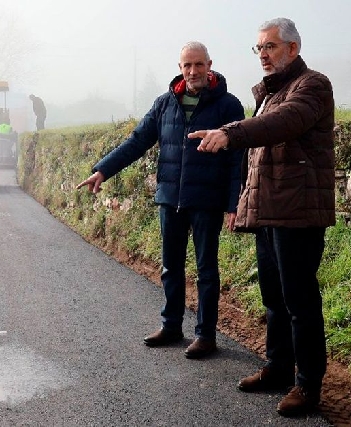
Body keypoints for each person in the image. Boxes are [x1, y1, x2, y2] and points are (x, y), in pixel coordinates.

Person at [188, 18, 335, 416]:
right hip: (271, 210)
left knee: (299, 300)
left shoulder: (312, 85)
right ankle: (278, 367)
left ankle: (307, 386)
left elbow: (282, 124)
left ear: (292, 48)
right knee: (273, 296)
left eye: (270, 47)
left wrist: (231, 131)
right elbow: (259, 157)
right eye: (259, 49)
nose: (263, 55)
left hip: (299, 212)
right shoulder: (270, 94)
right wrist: (242, 203)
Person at [76, 41, 245, 359]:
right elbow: (137, 141)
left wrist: (233, 203)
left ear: (210, 65)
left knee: (206, 270)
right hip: (170, 198)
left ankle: (206, 335)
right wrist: (102, 170)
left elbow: (238, 159)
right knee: (170, 267)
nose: (193, 71)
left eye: (198, 64)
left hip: (207, 200)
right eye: (186, 65)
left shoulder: (229, 106)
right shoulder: (165, 103)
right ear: (180, 67)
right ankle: (171, 326)